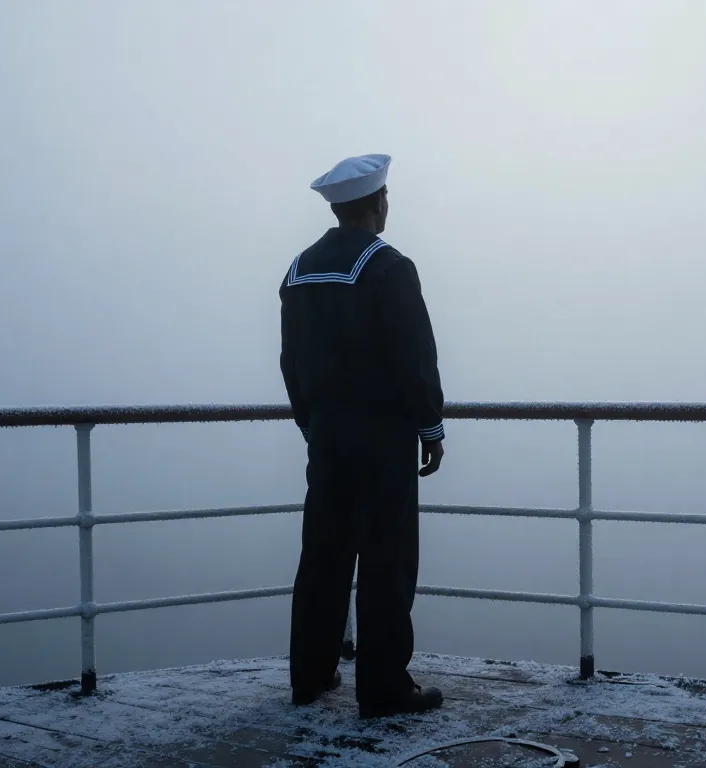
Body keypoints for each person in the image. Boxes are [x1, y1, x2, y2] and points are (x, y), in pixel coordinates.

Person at [278, 153, 446, 719]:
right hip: (382, 439)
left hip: (326, 437)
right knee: (385, 562)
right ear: (378, 202)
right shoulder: (389, 267)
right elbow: (414, 357)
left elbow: (291, 361)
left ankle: (309, 677)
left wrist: (311, 423)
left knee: (322, 557)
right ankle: (383, 689)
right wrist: (430, 427)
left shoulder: (298, 270)